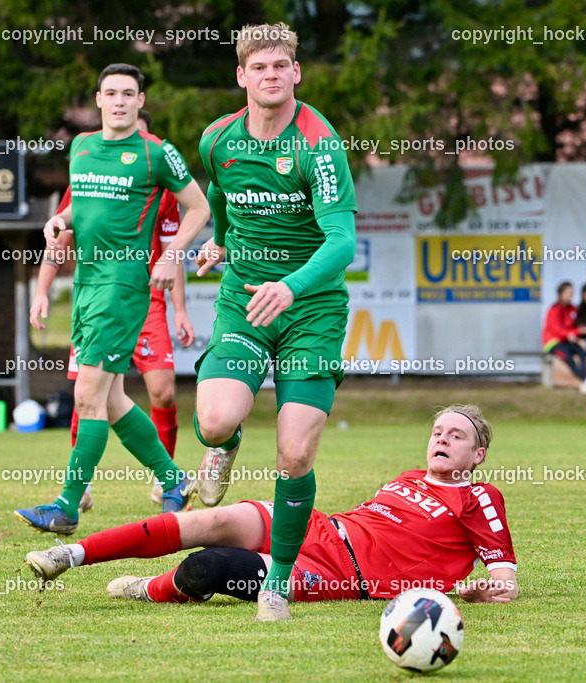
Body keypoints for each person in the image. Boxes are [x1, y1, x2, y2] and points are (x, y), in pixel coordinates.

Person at [25, 404, 518, 609]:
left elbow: (504, 581)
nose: (442, 438)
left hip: (339, 574)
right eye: (437, 431)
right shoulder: (408, 478)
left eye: (457, 435)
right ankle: (72, 555)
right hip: (319, 527)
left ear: (477, 455)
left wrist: (470, 597)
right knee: (210, 519)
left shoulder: (479, 496)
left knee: (210, 567)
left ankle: (150, 588)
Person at [191, 22, 358, 620]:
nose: (270, 76)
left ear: (295, 73)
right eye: (258, 67)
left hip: (311, 309)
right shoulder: (217, 139)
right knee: (213, 421)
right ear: (241, 75)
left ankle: (278, 582)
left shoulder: (319, 143)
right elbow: (226, 203)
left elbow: (343, 242)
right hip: (243, 300)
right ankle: (224, 446)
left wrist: (291, 286)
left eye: (280, 66)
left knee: (293, 455)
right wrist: (219, 242)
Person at [15, 63, 211, 536]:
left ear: (140, 102)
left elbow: (199, 206)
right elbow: (77, 210)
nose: (120, 101)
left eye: (129, 93)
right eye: (111, 93)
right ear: (98, 101)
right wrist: (59, 224)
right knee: (114, 399)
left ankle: (66, 506)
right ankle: (174, 478)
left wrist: (170, 255)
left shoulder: (155, 153)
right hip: (85, 285)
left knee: (86, 395)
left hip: (121, 288)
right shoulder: (81, 148)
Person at [542, 282, 586, 386]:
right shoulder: (554, 310)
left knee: (582, 351)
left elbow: (575, 326)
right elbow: (558, 331)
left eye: (572, 293)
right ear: (560, 294)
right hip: (554, 342)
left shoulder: (573, 309)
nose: (570, 295)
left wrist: (581, 332)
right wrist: (577, 332)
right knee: (569, 358)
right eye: (568, 293)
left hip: (567, 341)